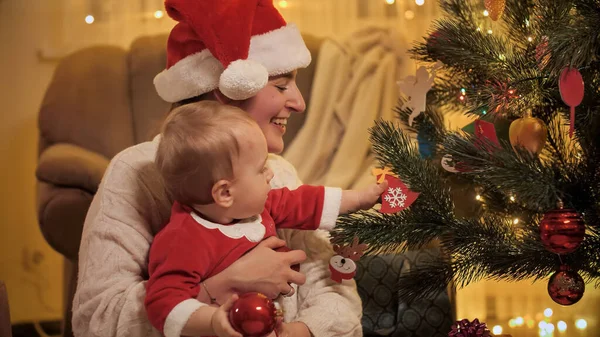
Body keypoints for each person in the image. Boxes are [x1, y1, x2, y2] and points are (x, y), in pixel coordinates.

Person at [72, 1, 366, 336]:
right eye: (282, 86)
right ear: (227, 90)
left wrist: (302, 331)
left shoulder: (277, 172)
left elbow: (335, 290)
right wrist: (224, 285)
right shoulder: (136, 173)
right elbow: (96, 319)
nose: (299, 103)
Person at [145, 101, 386, 337]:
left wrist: (360, 199)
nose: (271, 174)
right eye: (261, 169)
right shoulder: (182, 239)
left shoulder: (258, 206)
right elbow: (162, 303)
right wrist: (213, 322)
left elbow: (305, 202)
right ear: (225, 193)